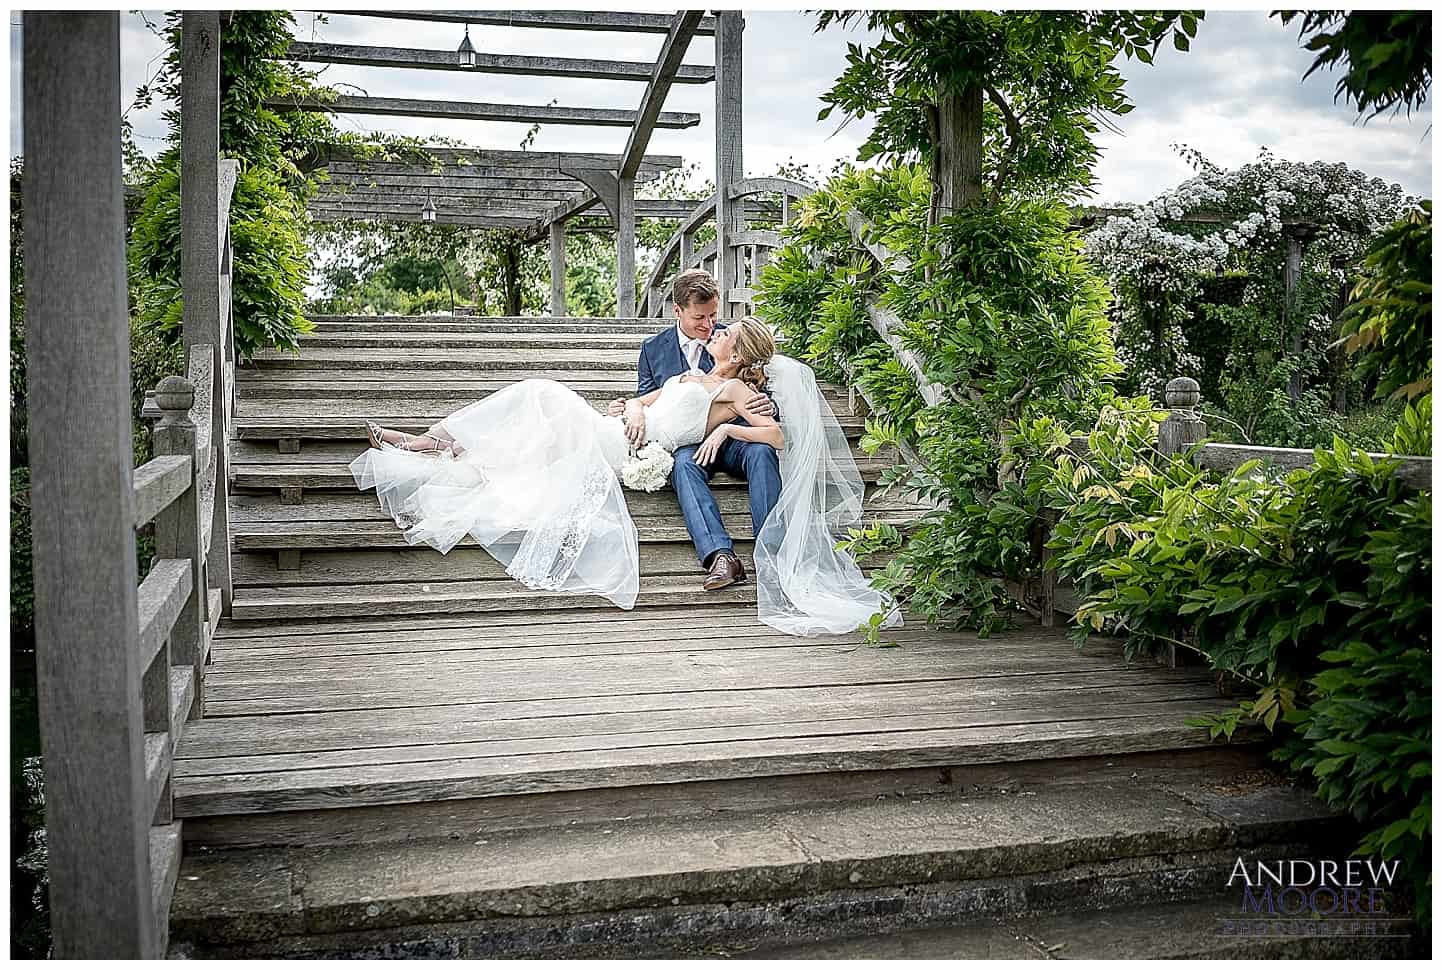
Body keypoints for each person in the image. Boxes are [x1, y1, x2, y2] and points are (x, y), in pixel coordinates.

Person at [353, 316, 900, 636]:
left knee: (540, 396)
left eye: (725, 331)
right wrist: (634, 408)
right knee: (536, 413)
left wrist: (728, 432)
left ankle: (430, 444)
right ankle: (432, 447)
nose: (716, 330)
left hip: (627, 450)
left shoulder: (736, 391)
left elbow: (778, 439)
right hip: (619, 431)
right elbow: (643, 401)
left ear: (738, 350)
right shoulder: (694, 373)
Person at [609, 269, 780, 592]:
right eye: (700, 317)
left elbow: (760, 389)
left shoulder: (732, 338)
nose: (710, 325)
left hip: (737, 435)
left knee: (762, 450)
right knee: (684, 465)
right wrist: (631, 408)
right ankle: (720, 556)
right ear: (678, 311)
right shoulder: (653, 349)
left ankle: (773, 551)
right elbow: (649, 401)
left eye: (714, 315)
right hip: (688, 441)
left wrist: (764, 409)